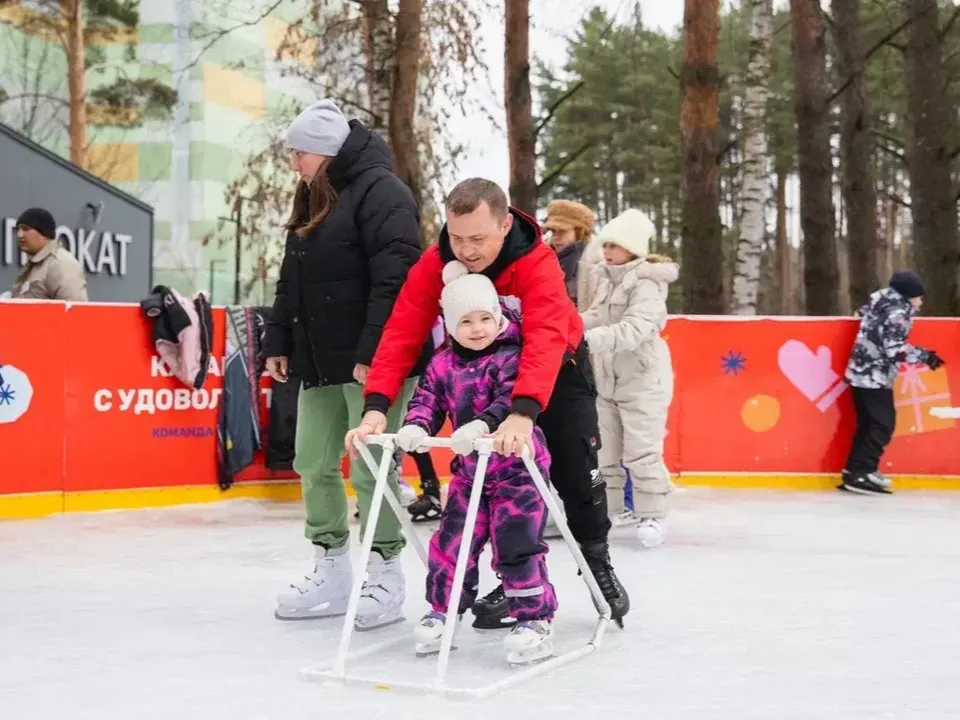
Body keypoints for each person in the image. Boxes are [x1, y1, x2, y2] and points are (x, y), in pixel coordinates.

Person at [346, 178, 630, 629]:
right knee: (504, 486)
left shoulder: (537, 262)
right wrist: (377, 404)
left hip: (557, 373)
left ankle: (597, 562)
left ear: (503, 224)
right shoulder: (436, 262)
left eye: (478, 239)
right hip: (486, 381)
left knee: (577, 476)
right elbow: (402, 330)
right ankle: (514, 580)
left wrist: (522, 411)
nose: (467, 251)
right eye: (457, 238)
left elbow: (546, 337)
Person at [265, 99, 428, 628]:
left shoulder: (385, 193)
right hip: (319, 359)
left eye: (301, 153)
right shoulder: (315, 195)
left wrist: (372, 355)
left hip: (372, 362)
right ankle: (331, 567)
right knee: (311, 461)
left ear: (328, 153)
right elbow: (292, 278)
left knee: (370, 466)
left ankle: (385, 570)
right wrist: (278, 340)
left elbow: (397, 279)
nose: (294, 163)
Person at [397, 260, 557, 664]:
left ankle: (534, 619)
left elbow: (510, 401)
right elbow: (428, 400)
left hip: (517, 471)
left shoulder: (510, 356)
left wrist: (483, 424)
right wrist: (415, 426)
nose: (478, 328)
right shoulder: (441, 363)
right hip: (471, 473)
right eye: (466, 321)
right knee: (452, 542)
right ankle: (442, 611)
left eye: (486, 317)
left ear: (498, 317)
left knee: (516, 545)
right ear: (451, 326)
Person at [581, 208, 678, 548]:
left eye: (614, 245)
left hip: (642, 381)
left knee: (642, 452)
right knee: (605, 452)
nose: (606, 251)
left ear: (632, 249)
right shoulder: (610, 279)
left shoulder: (648, 283)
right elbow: (596, 315)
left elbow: (636, 329)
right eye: (605, 244)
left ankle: (652, 514)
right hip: (608, 379)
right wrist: (569, 326)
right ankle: (611, 511)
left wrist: (587, 340)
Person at [841, 271, 944, 495]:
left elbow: (862, 316)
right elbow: (894, 349)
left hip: (858, 372)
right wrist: (925, 356)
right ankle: (862, 471)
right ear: (908, 296)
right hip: (874, 377)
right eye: (919, 297)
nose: (921, 302)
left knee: (869, 424)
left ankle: (855, 470)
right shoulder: (899, 315)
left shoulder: (877, 300)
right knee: (882, 425)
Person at [8, 208, 87, 301]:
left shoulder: (61, 264)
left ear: (44, 233)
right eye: (18, 229)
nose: (19, 235)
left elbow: (75, 311)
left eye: (25, 229)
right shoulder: (38, 265)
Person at [543, 199, 596, 311]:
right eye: (553, 231)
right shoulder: (544, 257)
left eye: (562, 231)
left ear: (579, 232)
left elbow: (598, 312)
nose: (556, 237)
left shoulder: (597, 262)